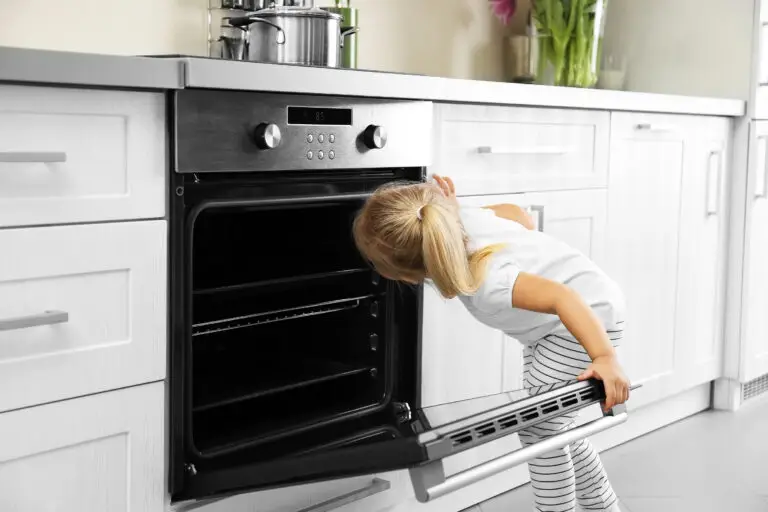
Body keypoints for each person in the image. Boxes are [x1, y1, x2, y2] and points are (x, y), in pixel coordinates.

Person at [353, 175, 629, 512]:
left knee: (539, 427)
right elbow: (520, 216)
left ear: (409, 275)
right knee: (556, 423)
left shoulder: (487, 282)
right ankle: (604, 507)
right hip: (560, 324)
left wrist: (604, 357)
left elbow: (563, 296)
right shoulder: (456, 217)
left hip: (582, 321)